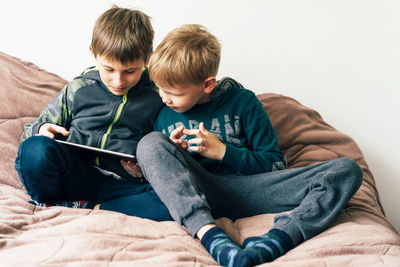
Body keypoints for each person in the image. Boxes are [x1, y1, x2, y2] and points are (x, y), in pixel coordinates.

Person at [127, 24, 363, 266]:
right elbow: (168, 182)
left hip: (254, 190)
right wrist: (174, 153)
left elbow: (275, 164)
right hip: (200, 192)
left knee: (346, 170)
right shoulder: (164, 114)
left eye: (173, 93)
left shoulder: (243, 102)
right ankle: (211, 235)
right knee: (150, 143)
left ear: (207, 84)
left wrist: (223, 152)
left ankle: (276, 240)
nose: (165, 98)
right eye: (160, 89)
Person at [14, 6, 172, 222]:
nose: (118, 81)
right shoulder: (79, 87)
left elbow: (165, 153)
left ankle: (91, 208)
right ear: (93, 53)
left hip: (123, 186)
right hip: (74, 174)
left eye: (129, 71)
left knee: (174, 200)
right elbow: (31, 131)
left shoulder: (158, 97)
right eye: (109, 69)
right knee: (33, 150)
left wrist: (144, 171)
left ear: (147, 60)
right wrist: (41, 129)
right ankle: (53, 201)